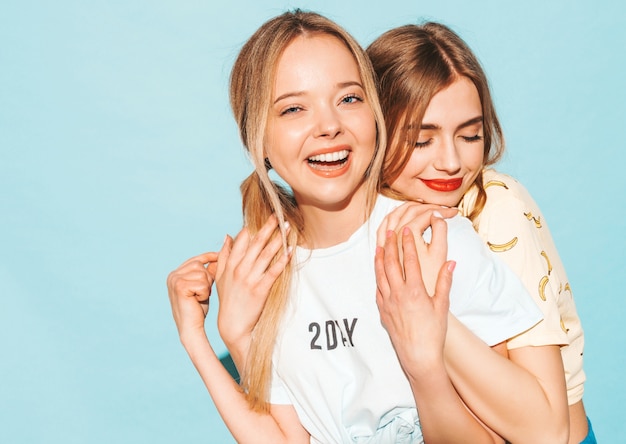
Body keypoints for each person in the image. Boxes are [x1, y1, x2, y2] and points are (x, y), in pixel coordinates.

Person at [167, 10, 548, 444]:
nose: (329, 126)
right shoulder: (265, 275)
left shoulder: (431, 239)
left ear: (375, 115)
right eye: (293, 109)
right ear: (258, 140)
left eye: (349, 99)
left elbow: (505, 437)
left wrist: (425, 362)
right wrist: (199, 338)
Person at [367, 22, 595, 443]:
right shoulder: (371, 218)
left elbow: (547, 429)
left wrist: (424, 312)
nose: (451, 162)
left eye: (470, 135)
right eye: (421, 141)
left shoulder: (497, 206)